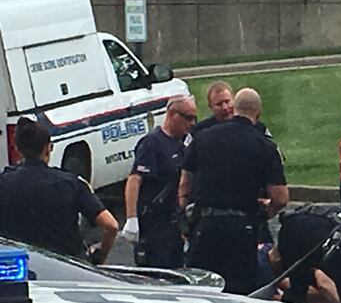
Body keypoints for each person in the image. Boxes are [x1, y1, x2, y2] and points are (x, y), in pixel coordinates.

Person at [179, 88, 288, 295]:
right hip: (241, 229)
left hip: (205, 226)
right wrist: (266, 212)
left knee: (200, 290)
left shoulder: (203, 138)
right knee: (237, 293)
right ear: (258, 112)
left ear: (235, 109)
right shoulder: (264, 145)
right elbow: (281, 197)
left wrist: (186, 216)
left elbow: (185, 183)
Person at [0, 118, 118, 263]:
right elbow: (111, 225)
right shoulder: (71, 183)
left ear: (17, 149)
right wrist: (100, 256)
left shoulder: (4, 182)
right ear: (48, 148)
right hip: (67, 268)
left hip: (19, 267)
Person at [121, 95, 196, 268]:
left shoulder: (182, 144)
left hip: (174, 224)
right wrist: (131, 218)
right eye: (188, 117)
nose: (192, 123)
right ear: (172, 114)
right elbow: (135, 179)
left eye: (194, 118)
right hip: (154, 225)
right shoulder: (152, 143)